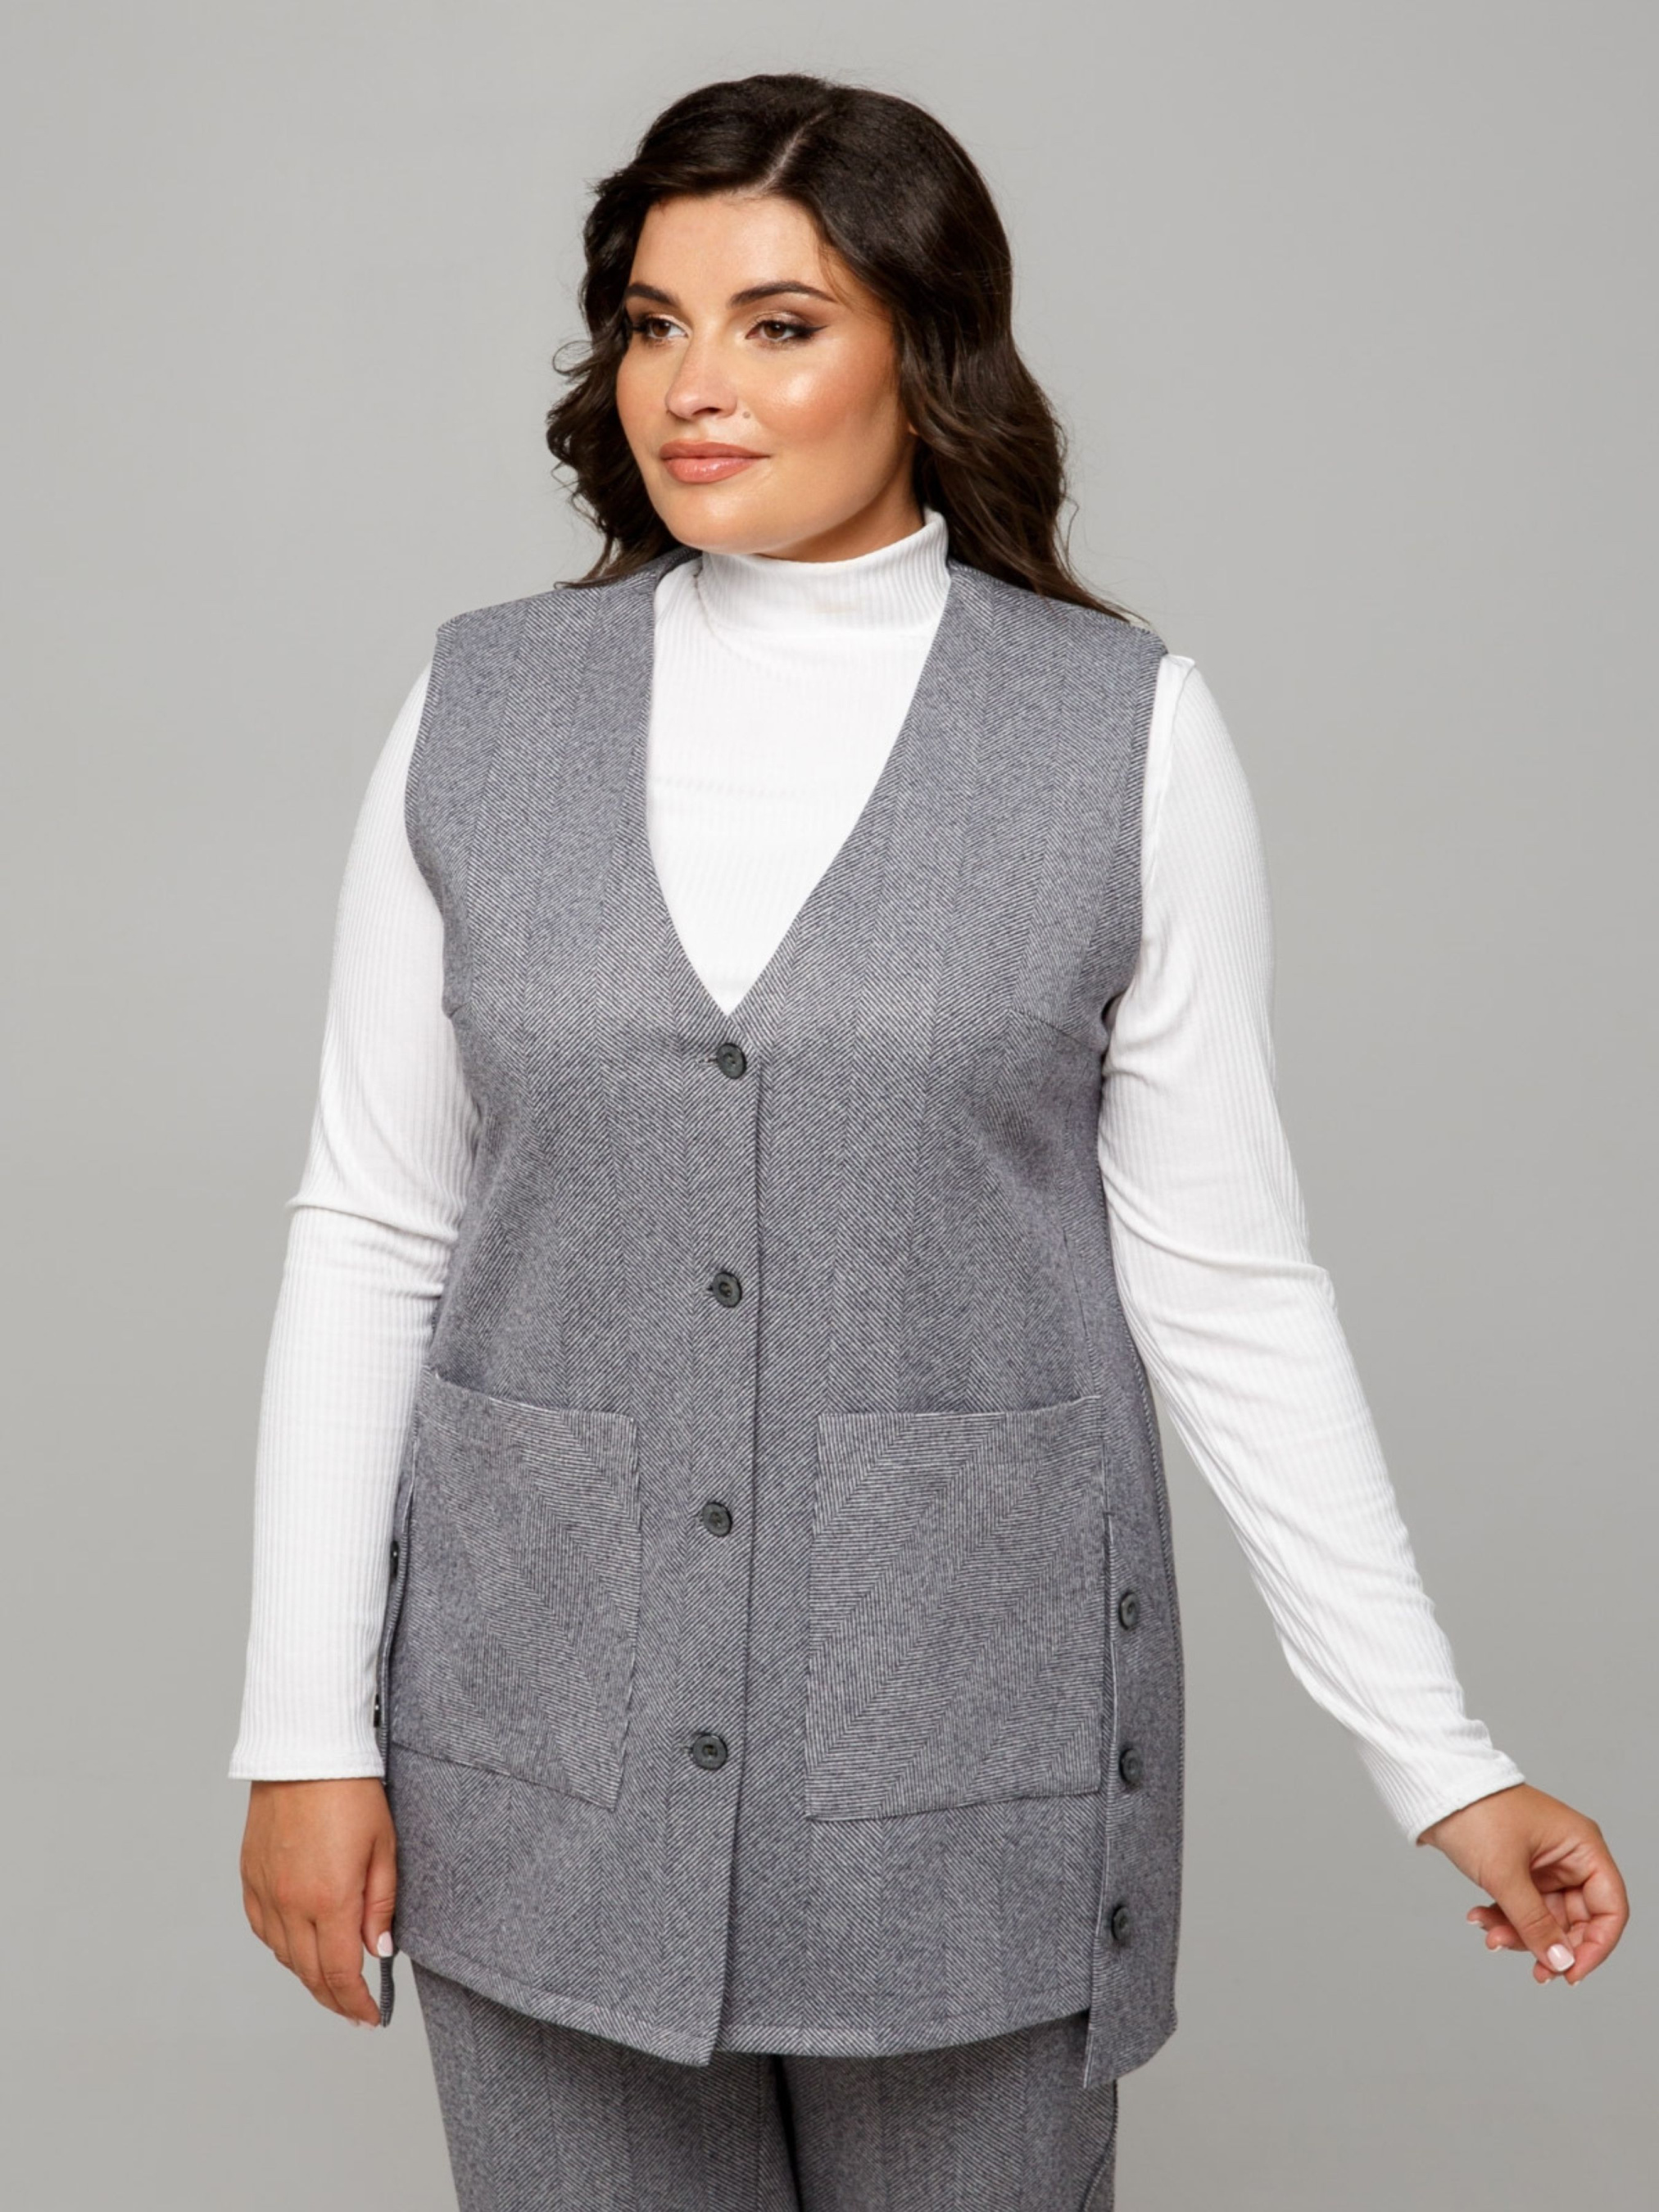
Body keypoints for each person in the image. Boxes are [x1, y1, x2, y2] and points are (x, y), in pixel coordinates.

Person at [229, 70, 1629, 2211]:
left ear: (925, 348)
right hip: (542, 1743)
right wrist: (301, 1733)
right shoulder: (479, 710)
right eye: (652, 322)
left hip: (967, 1754)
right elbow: (371, 1228)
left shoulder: (1118, 733)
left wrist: (1436, 1756)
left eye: (778, 323)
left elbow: (1228, 1285)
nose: (693, 386)